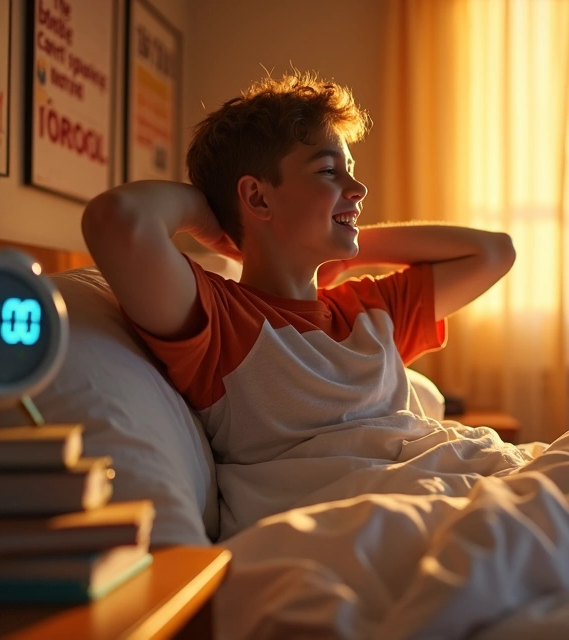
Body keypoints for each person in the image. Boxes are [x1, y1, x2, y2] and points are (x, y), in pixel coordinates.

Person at [82, 71, 520, 537]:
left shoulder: (368, 311)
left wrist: (351, 249)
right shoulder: (224, 319)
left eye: (350, 169)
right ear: (256, 195)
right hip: (373, 516)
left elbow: (495, 253)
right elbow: (118, 220)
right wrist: (205, 217)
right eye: (329, 171)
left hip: (455, 476)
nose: (358, 189)